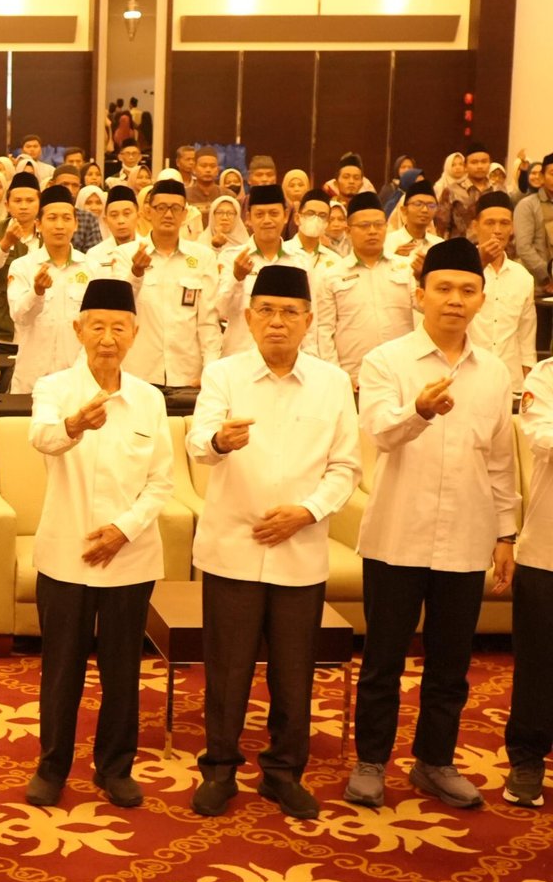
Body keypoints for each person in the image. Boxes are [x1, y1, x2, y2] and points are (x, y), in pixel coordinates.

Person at [345, 238, 517, 811]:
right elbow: (379, 432)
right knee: (383, 661)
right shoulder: (385, 361)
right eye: (443, 288)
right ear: (420, 296)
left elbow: (500, 459)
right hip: (397, 535)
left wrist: (506, 533)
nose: (455, 300)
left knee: (451, 665)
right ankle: (371, 762)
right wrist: (417, 411)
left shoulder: (495, 373)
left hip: (466, 537)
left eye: (467, 290)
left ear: (482, 299)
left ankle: (434, 761)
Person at [186, 265, 360, 820]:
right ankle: (219, 770)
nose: (277, 322)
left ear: (308, 320)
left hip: (299, 549)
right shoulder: (224, 374)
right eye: (266, 311)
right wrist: (219, 440)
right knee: (227, 670)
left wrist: (305, 512)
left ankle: (283, 773)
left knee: (293, 673)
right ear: (248, 316)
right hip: (232, 549)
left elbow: (346, 467)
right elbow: (197, 443)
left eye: (289, 312)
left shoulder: (333, 383)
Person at [27, 279, 171, 809]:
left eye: (118, 328)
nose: (107, 338)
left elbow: (161, 481)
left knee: (122, 671)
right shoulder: (53, 388)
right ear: (78, 329)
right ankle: (52, 767)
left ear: (134, 333)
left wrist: (122, 530)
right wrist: (74, 425)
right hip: (64, 555)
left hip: (129, 557)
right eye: (97, 327)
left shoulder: (150, 399)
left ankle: (115, 768)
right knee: (60, 671)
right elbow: (41, 438)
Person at [508, 354, 553, 808]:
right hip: (547, 552)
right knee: (538, 665)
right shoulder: (546, 375)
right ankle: (527, 760)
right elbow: (543, 437)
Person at [312, 193, 417, 386]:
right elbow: (325, 330)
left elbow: (424, 311)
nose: (372, 231)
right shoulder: (331, 275)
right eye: (364, 226)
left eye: (378, 225)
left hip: (402, 372)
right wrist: (337, 377)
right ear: (348, 231)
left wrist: (426, 279)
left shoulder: (407, 268)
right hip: (353, 376)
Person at [125, 180, 220, 390]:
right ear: (148, 212)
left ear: (185, 214)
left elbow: (208, 322)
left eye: (175, 208)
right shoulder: (126, 255)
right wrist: (136, 273)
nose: (168, 214)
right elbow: (120, 310)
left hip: (187, 375)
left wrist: (210, 372)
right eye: (161, 208)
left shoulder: (203, 257)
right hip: (139, 374)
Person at [8, 185, 91, 393]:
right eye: (52, 218)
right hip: (31, 380)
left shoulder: (91, 268)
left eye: (66, 218)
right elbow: (19, 317)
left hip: (76, 380)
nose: (59, 225)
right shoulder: (22, 266)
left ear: (76, 224)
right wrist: (36, 292)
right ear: (38, 224)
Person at [215, 184, 314, 358]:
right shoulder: (231, 257)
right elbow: (220, 311)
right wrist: (236, 278)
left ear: (285, 216)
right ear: (248, 218)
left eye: (274, 213)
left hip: (287, 359)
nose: (267, 220)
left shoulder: (301, 260)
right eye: (259, 214)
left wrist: (311, 358)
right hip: (240, 356)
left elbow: (311, 319)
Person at [468, 192, 536, 395]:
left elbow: (526, 338)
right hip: (467, 375)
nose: (497, 230)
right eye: (490, 223)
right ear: (475, 226)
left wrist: (528, 386)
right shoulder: (460, 270)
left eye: (504, 223)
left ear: (512, 228)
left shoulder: (523, 277)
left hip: (510, 381)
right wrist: (479, 263)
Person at [0, 171, 42, 346]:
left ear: (39, 203)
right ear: (7, 205)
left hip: (40, 327)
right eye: (18, 201)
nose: (24, 206)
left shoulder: (48, 234)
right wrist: (5, 243)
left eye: (30, 200)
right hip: (2, 328)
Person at [512, 151, 553, 294]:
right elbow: (524, 248)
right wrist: (548, 275)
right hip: (539, 285)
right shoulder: (527, 205)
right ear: (542, 177)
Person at [387, 179, 444, 260]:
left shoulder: (439, 245)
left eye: (431, 205)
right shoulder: (388, 242)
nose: (425, 210)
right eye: (418, 204)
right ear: (404, 210)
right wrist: (395, 258)